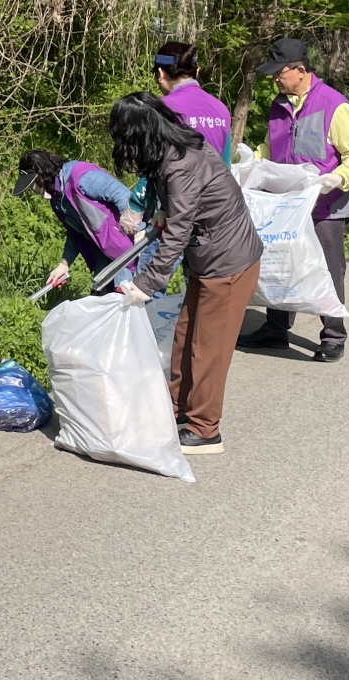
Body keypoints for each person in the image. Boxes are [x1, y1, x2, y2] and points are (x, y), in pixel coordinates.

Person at [107, 94, 263, 454]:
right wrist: (161, 211)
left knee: (208, 348)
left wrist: (146, 284)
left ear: (137, 134)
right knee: (185, 338)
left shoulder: (180, 162)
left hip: (228, 262)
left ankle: (205, 429)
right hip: (207, 256)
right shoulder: (173, 145)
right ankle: (176, 411)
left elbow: (178, 232)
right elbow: (181, 207)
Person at [238, 38, 349, 362]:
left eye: (279, 73)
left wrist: (336, 179)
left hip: (327, 206)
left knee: (328, 269)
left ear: (300, 70)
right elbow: (270, 149)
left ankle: (334, 336)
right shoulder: (279, 105)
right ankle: (275, 328)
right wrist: (250, 166)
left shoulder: (335, 106)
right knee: (281, 263)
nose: (275, 80)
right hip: (287, 205)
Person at [14, 149, 145, 293]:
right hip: (104, 253)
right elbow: (76, 232)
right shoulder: (58, 199)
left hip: (126, 248)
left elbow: (122, 195)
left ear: (41, 175)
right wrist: (64, 264)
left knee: (127, 299)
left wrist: (138, 232)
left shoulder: (81, 176)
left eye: (32, 184)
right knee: (100, 299)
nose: (32, 190)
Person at [153, 41, 234, 161]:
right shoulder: (221, 108)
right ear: (197, 72)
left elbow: (151, 167)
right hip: (217, 179)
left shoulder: (160, 108)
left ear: (160, 73)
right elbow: (226, 165)